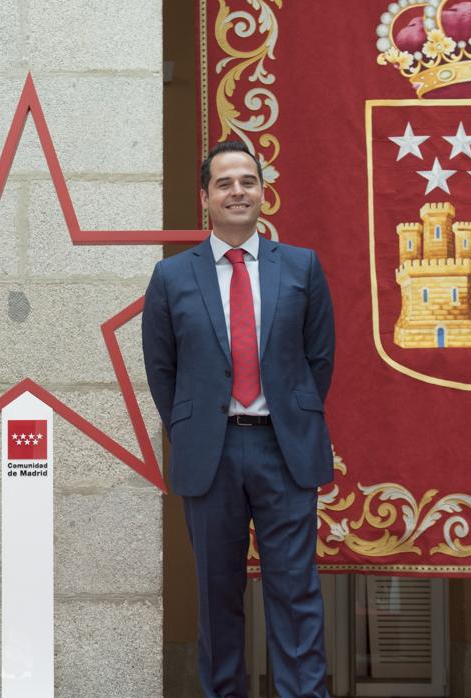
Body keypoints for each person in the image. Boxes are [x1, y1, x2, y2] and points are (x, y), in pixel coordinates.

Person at [142, 141, 335, 698]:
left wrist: (288, 416)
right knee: (217, 595)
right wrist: (194, 430)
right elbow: (163, 370)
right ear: (205, 197)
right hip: (212, 452)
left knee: (296, 593)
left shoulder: (300, 266)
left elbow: (317, 359)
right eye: (225, 183)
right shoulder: (171, 277)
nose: (238, 192)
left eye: (248, 181)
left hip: (284, 449)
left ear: (262, 192)